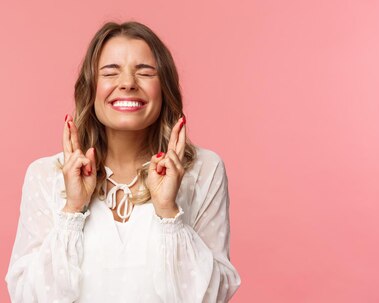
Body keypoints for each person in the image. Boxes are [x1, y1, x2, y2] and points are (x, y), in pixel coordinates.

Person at [5, 21, 241, 302]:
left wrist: (168, 211)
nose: (128, 83)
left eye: (145, 72)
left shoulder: (204, 170)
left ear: (164, 88)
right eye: (110, 72)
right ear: (91, 87)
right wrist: (73, 209)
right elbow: (26, 296)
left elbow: (213, 297)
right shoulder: (45, 175)